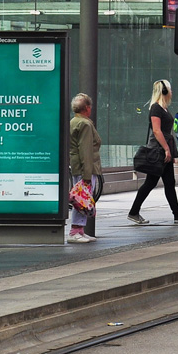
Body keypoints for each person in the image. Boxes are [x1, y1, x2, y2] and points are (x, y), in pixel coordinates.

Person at [127, 79, 178, 225]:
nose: (172, 92)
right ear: (164, 92)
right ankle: (134, 212)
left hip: (163, 151)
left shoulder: (164, 108)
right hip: (158, 151)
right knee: (152, 182)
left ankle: (177, 213)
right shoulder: (156, 108)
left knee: (166, 182)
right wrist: (167, 149)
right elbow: (156, 130)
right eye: (170, 89)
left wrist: (170, 151)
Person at [68, 93, 103, 243]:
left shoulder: (73, 121)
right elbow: (86, 149)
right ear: (87, 108)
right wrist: (87, 174)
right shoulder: (85, 124)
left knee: (81, 199)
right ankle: (75, 231)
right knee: (82, 199)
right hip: (85, 168)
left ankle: (80, 230)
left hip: (77, 165)